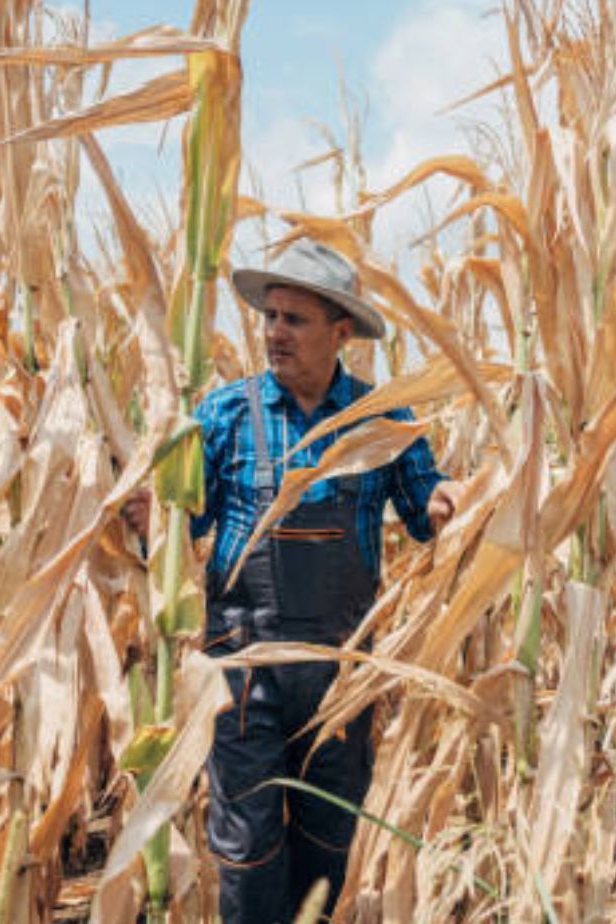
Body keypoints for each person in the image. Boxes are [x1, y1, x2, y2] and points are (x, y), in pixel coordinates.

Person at [125, 239, 461, 923]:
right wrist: (149, 518)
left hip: (342, 667)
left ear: (341, 333)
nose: (275, 331)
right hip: (245, 666)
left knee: (328, 840)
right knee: (246, 846)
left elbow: (425, 508)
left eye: (294, 320)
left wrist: (450, 500)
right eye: (270, 316)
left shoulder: (384, 417)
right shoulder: (226, 413)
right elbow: (186, 529)